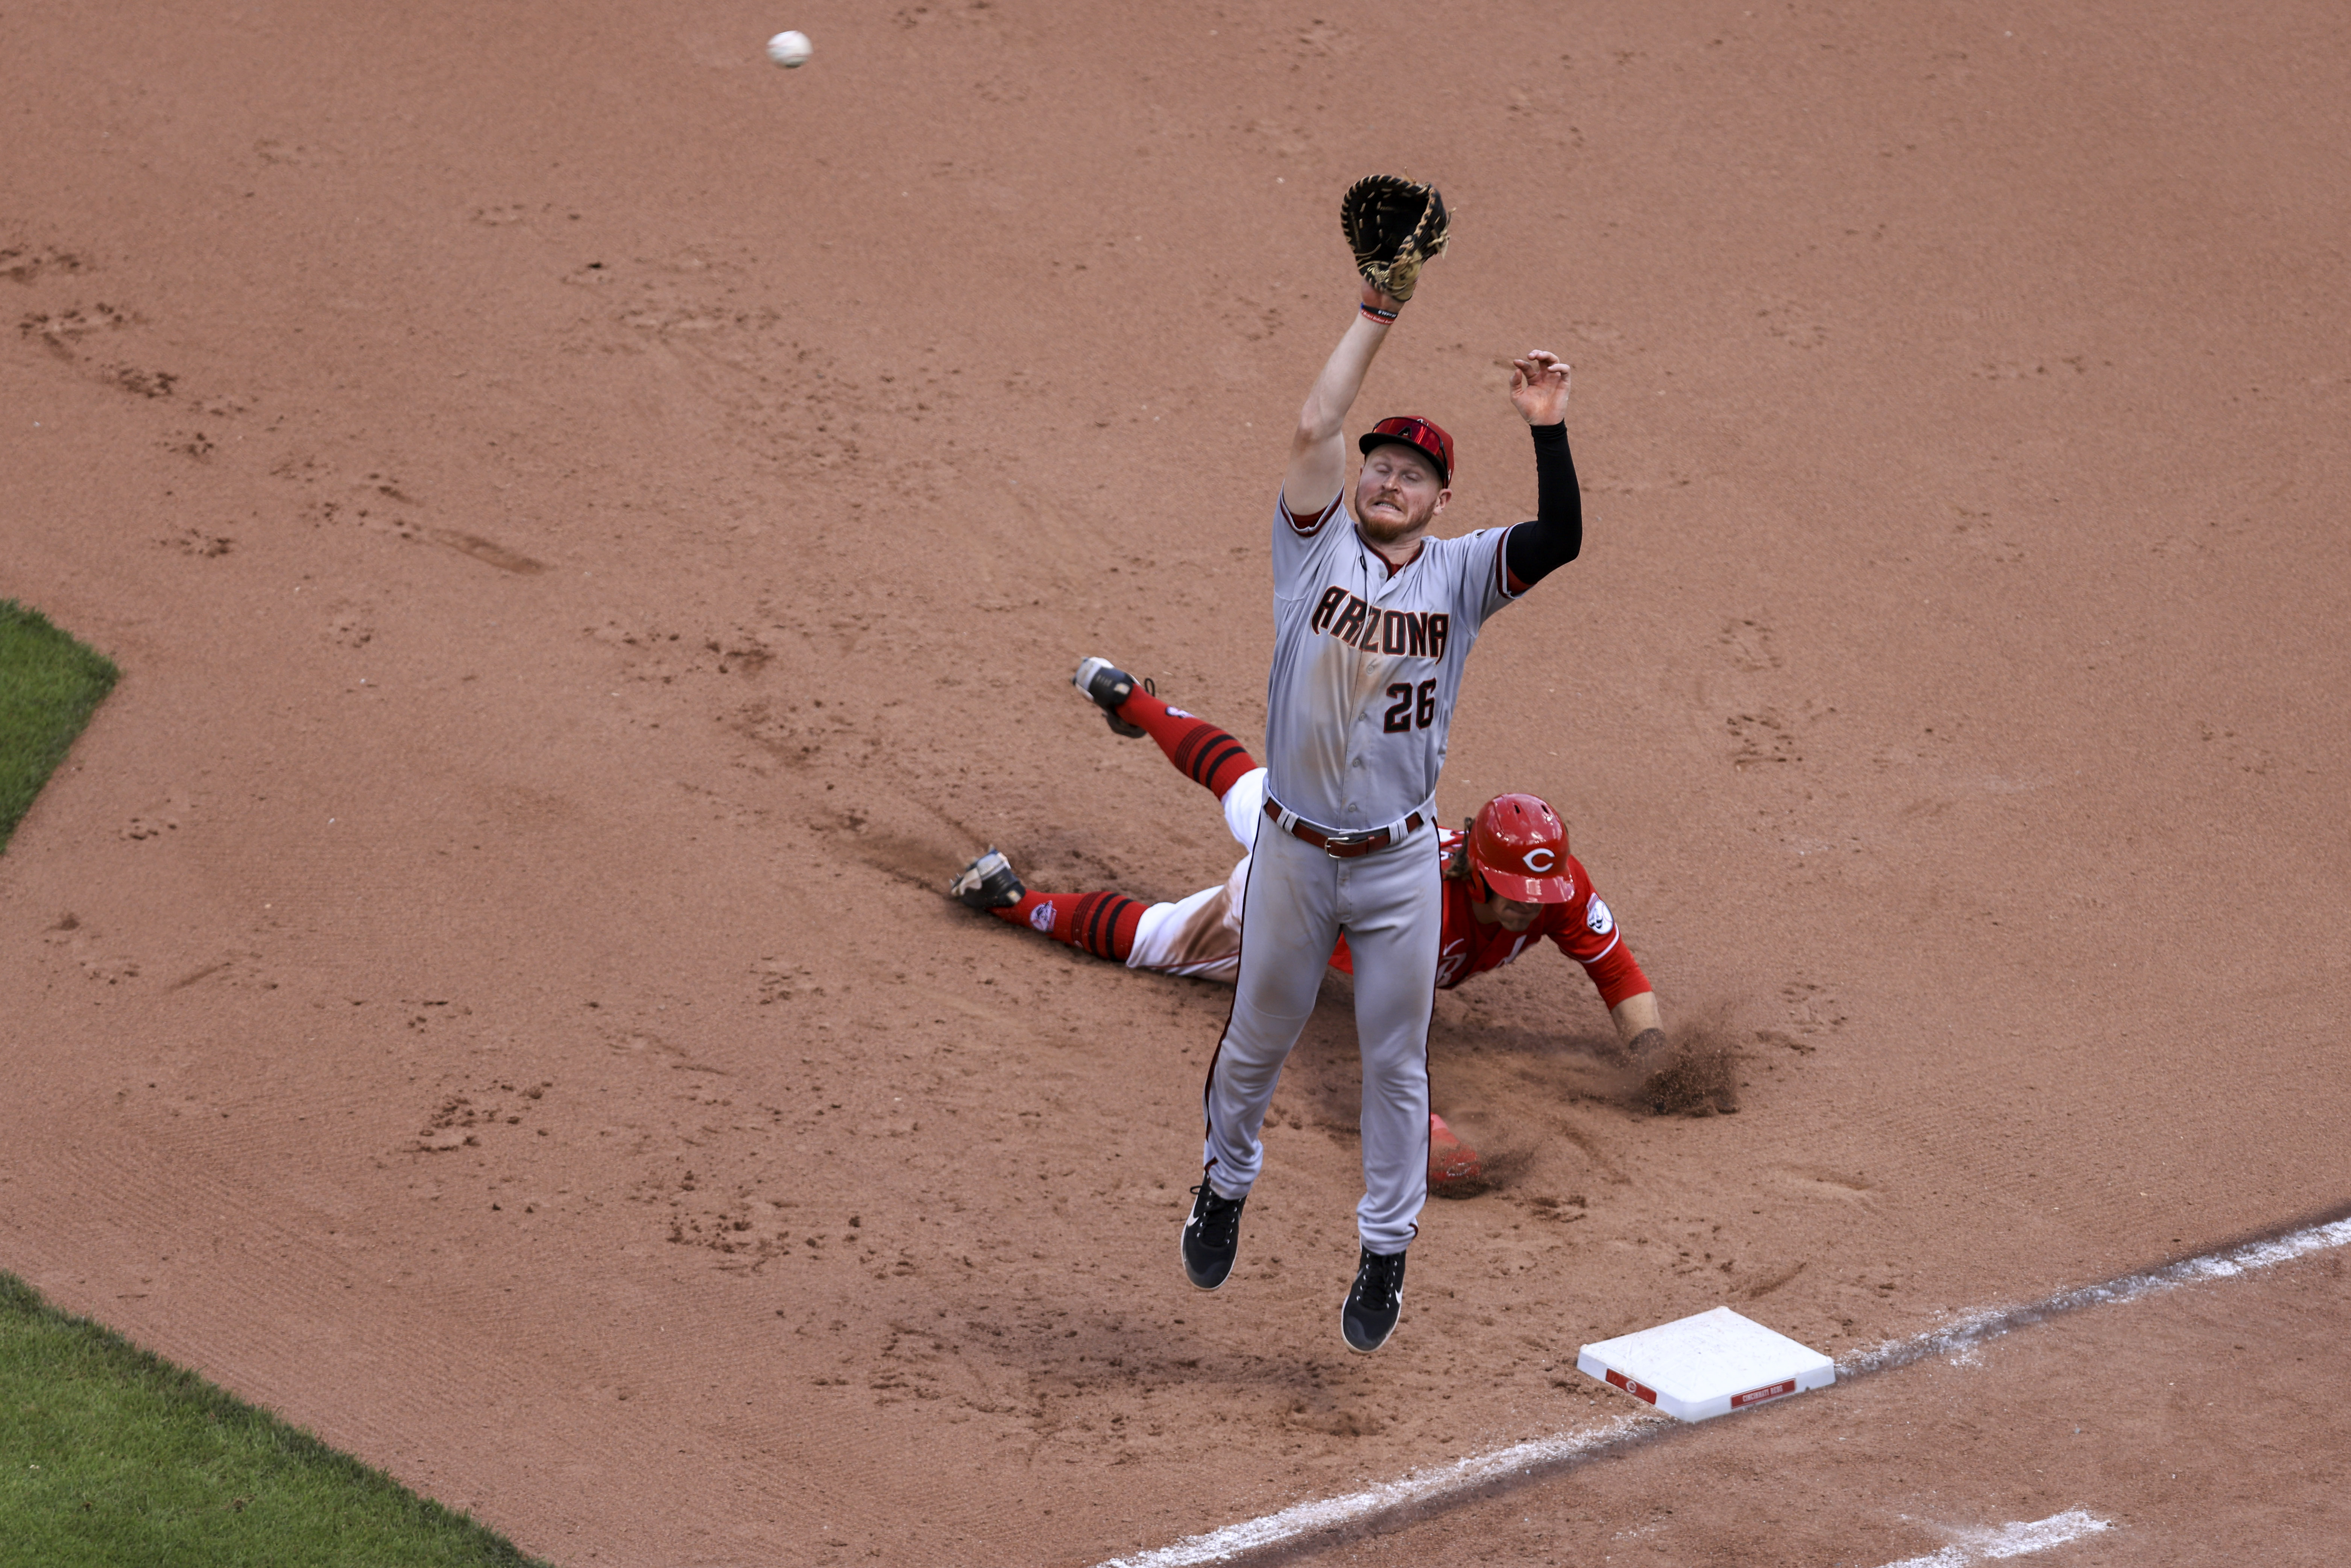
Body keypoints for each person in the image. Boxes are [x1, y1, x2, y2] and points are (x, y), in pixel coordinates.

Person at [1062, 202, 1582, 1352]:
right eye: (1381, 465)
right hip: (1294, 853)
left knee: (1396, 1063)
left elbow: (1560, 540)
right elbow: (1315, 417)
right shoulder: (1312, 550)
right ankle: (1223, 1184)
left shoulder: (1460, 575)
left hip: (1397, 864)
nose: (1391, 478)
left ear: (1444, 500)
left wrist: (1545, 427)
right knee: (1258, 1037)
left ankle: (1384, 1256)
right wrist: (1376, 311)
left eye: (1414, 473)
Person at [948, 669, 1666, 1182]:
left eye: (1538, 892)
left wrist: (1656, 1057)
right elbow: (1382, 1038)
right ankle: (1009, 896)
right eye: (1513, 892)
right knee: (1159, 940)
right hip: (1295, 888)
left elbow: (1616, 970)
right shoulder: (1412, 912)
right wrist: (1424, 1131)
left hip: (1339, 824)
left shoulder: (1557, 885)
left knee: (1241, 783)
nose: (1528, 905)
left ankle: (1131, 699)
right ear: (1472, 872)